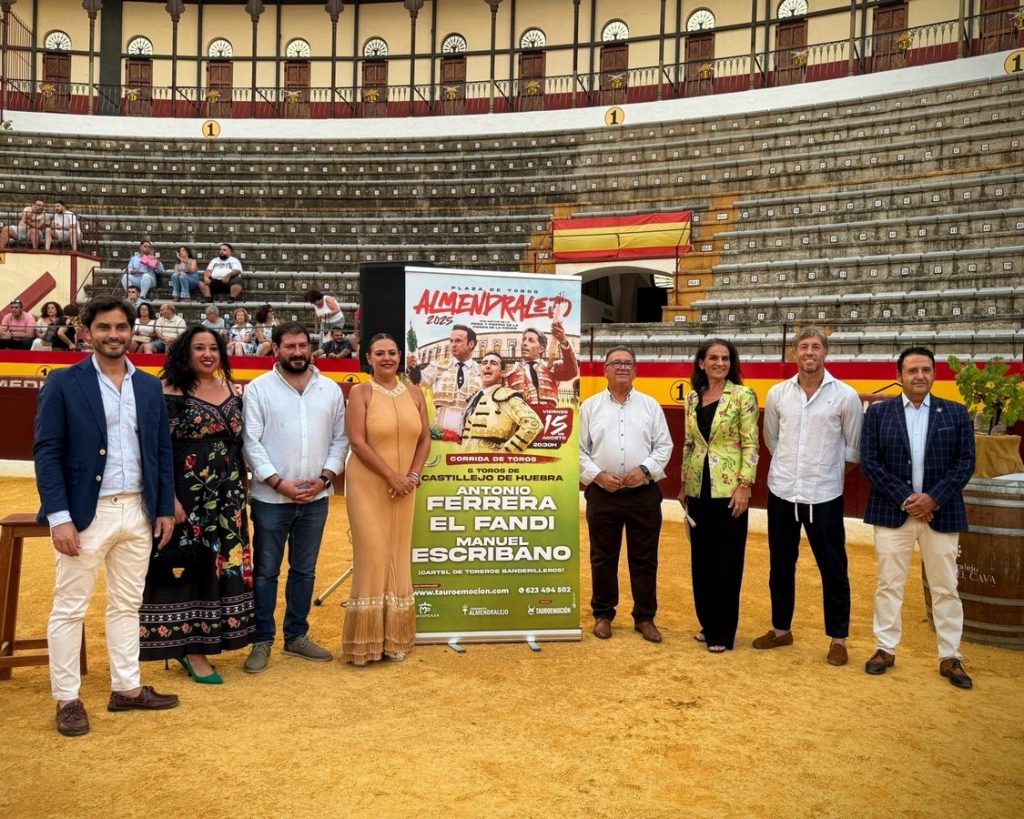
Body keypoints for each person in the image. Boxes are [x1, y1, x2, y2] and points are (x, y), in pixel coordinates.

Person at [33, 295, 179, 737]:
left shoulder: (149, 385)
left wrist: (163, 507)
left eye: (120, 327)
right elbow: (47, 451)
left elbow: (159, 451)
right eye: (103, 328)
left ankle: (127, 688)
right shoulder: (62, 381)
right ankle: (67, 697)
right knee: (69, 608)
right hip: (85, 514)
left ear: (132, 331)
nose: (113, 335)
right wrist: (59, 516)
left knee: (126, 605)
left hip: (136, 510)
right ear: (86, 332)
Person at [138, 326, 255, 683]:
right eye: (199, 348)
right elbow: (158, 451)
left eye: (213, 348)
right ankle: (191, 650)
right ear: (184, 353)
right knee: (191, 568)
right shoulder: (169, 392)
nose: (207, 354)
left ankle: (210, 637)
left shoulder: (231, 389)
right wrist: (168, 498)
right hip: (188, 499)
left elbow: (237, 443)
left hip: (229, 500)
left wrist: (243, 482)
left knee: (223, 567)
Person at [860, 346, 976, 689]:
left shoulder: (955, 413)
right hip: (893, 510)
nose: (920, 375)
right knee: (888, 583)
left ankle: (950, 655)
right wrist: (907, 499)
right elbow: (870, 462)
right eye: (912, 370)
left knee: (945, 586)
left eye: (926, 369)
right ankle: (884, 647)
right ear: (899, 377)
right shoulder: (879, 415)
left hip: (941, 512)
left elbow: (965, 463)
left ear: (934, 374)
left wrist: (933, 498)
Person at [753, 327, 864, 666]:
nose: (809, 352)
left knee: (833, 568)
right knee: (781, 565)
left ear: (825, 353)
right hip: (783, 491)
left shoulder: (845, 396)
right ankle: (781, 630)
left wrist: (824, 475)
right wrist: (796, 472)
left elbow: (852, 451)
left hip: (824, 495)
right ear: (794, 353)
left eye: (816, 346)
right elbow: (772, 440)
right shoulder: (777, 394)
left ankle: (838, 638)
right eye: (803, 346)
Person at [241, 321, 348, 673]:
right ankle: (262, 639)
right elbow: (250, 442)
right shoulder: (258, 389)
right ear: (276, 349)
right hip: (271, 499)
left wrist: (324, 478)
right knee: (266, 572)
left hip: (316, 497)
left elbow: (340, 439)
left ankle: (296, 636)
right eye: (290, 346)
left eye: (303, 345)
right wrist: (277, 482)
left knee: (304, 570)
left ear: (310, 347)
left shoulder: (330, 390)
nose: (298, 352)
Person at [341, 333, 430, 667]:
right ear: (369, 357)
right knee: (374, 554)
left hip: (406, 486)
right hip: (368, 484)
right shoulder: (360, 393)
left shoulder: (415, 393)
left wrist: (411, 476)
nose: (387, 358)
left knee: (397, 554)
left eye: (392, 352)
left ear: (400, 356)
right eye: (380, 353)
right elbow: (358, 442)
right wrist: (391, 476)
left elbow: (424, 440)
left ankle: (395, 639)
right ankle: (364, 644)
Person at [580, 346, 673, 643]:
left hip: (642, 494)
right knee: (603, 556)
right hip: (603, 493)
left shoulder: (650, 405)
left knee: (644, 558)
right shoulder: (590, 406)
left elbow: (664, 446)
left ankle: (645, 618)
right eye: (615, 363)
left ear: (635, 370)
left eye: (628, 363)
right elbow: (578, 450)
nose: (622, 367)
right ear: (605, 369)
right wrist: (597, 476)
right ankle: (603, 614)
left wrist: (644, 470)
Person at [679, 339, 759, 653]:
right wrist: (684, 483)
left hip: (729, 490)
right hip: (699, 488)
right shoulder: (692, 398)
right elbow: (689, 443)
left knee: (727, 561)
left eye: (725, 358)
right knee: (701, 560)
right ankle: (707, 622)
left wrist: (745, 485)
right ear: (701, 363)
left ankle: (723, 632)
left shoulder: (742, 396)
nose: (720, 363)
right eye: (713, 357)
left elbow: (751, 445)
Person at [407, 324, 481, 438]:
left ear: (471, 344)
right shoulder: (439, 366)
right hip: (440, 434)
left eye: (458, 341)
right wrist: (412, 367)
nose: (453, 345)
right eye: (451, 341)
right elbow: (419, 379)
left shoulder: (481, 371)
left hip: (470, 437)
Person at [461, 351, 542, 452]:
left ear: (503, 372)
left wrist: (506, 452)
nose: (487, 366)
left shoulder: (506, 396)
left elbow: (534, 423)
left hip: (494, 464)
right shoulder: (475, 397)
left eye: (493, 363)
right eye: (484, 363)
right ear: (479, 369)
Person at [505, 322, 578, 407]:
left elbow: (571, 371)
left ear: (541, 349)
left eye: (531, 340)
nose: (524, 343)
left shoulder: (551, 368)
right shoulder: (509, 371)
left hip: (548, 419)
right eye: (524, 339)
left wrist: (563, 342)